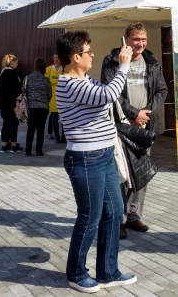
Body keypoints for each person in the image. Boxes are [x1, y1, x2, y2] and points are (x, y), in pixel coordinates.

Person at [56, 30, 137, 293]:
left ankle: (108, 271)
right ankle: (76, 273)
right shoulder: (69, 84)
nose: (92, 55)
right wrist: (123, 66)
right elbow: (108, 96)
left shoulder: (87, 80)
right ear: (75, 56)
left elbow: (105, 92)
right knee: (89, 217)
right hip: (85, 158)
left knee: (113, 212)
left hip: (102, 156)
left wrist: (119, 67)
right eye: (89, 52)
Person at [101, 22, 168, 239]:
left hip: (145, 125)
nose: (140, 44)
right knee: (122, 173)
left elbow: (162, 90)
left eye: (143, 40)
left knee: (141, 171)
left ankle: (134, 216)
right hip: (122, 125)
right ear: (126, 40)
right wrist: (132, 114)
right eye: (136, 39)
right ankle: (119, 218)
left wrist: (146, 114)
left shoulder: (152, 62)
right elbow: (112, 92)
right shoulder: (112, 61)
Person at [24, 58, 51, 157]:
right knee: (41, 130)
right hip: (43, 108)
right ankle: (39, 151)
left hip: (31, 107)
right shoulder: (46, 80)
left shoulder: (28, 78)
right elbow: (50, 94)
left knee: (30, 129)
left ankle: (28, 150)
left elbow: (24, 91)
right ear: (44, 67)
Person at [0, 54, 24, 153]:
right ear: (12, 62)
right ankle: (14, 145)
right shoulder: (13, 74)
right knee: (14, 124)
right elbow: (17, 90)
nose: (17, 65)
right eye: (16, 62)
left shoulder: (2, 73)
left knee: (5, 124)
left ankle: (4, 145)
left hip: (4, 103)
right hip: (13, 103)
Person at [45, 53, 66, 143]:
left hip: (63, 96)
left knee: (64, 118)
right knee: (54, 117)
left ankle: (64, 137)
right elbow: (46, 82)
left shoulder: (65, 69)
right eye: (54, 58)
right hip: (52, 96)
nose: (56, 60)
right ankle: (57, 137)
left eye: (58, 58)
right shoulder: (49, 69)